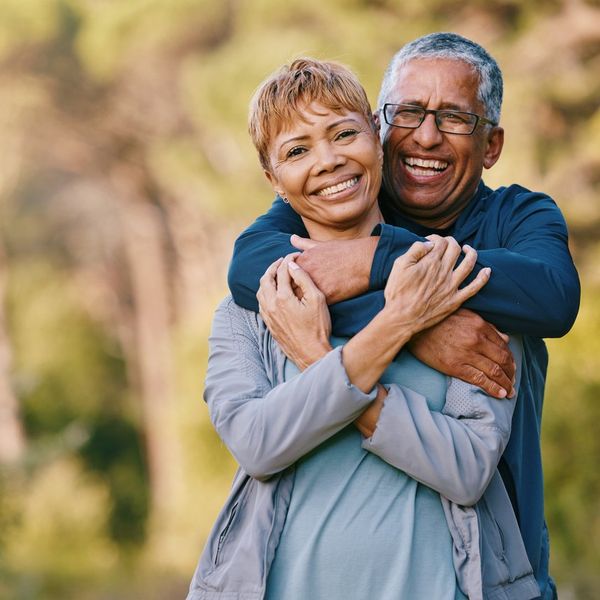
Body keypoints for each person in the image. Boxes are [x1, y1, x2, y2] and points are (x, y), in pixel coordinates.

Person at [227, 34, 580, 600]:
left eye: (456, 118)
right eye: (409, 112)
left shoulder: (518, 217)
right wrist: (418, 326)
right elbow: (248, 267)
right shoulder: (340, 202)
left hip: (492, 568)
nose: (426, 135)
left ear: (491, 145)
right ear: (379, 125)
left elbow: (554, 299)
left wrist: (375, 260)